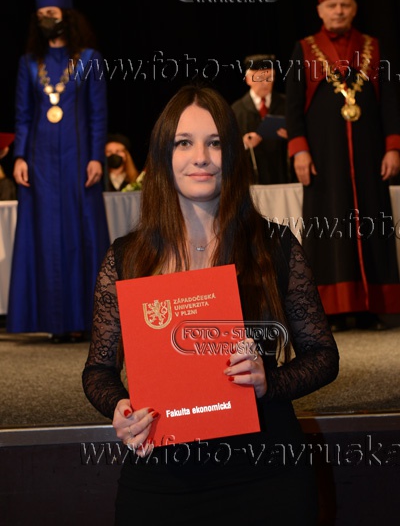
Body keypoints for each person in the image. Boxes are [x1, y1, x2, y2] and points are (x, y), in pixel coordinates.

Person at [82, 84, 339, 525]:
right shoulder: (127, 257)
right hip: (162, 479)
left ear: (233, 154)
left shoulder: (274, 246)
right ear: (163, 155)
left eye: (215, 143)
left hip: (267, 473)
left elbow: (323, 356)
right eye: (184, 143)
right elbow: (98, 371)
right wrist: (120, 408)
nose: (200, 157)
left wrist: (269, 383)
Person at [285, 0, 400, 331]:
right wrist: (299, 151)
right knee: (329, 229)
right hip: (324, 161)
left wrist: (393, 147)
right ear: (320, 9)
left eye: (345, 5)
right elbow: (292, 108)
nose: (339, 11)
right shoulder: (305, 49)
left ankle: (372, 306)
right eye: (332, 5)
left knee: (373, 226)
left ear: (354, 8)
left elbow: (390, 102)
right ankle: (332, 311)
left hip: (370, 158)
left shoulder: (373, 47)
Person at [7, 0, 110, 343]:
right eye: (40, 17)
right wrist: (20, 156)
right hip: (41, 163)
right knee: (46, 237)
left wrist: (96, 156)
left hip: (79, 160)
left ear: (66, 15)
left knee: (80, 234)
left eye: (50, 14)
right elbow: (22, 115)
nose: (46, 21)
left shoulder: (89, 59)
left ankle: (85, 319)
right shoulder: (28, 63)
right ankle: (55, 321)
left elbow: (98, 114)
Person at [231, 54, 292, 184]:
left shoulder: (286, 105)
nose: (265, 83)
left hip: (282, 174)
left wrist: (292, 136)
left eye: (269, 78)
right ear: (248, 80)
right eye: (259, 78)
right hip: (251, 178)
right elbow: (227, 148)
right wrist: (244, 144)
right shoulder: (237, 110)